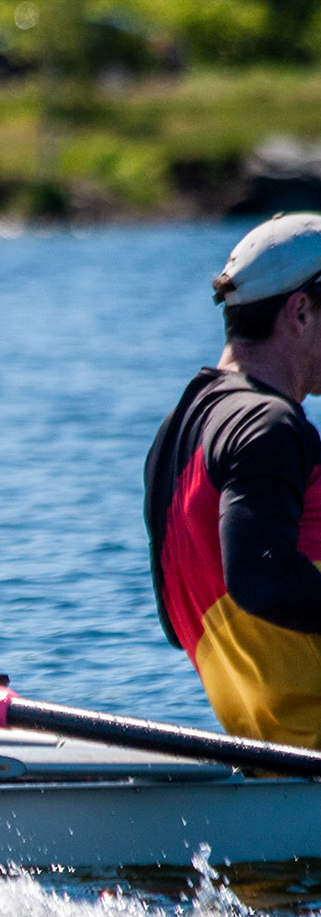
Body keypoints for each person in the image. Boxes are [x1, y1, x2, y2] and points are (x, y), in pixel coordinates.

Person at [146, 215, 321, 748]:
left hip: (274, 754)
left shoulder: (175, 437)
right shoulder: (266, 425)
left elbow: (174, 625)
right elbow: (260, 580)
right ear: (300, 312)